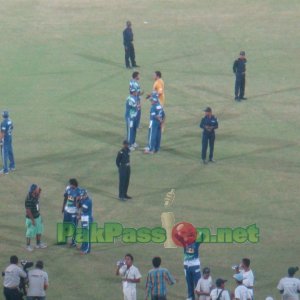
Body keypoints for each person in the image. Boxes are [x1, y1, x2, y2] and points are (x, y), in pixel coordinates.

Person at [25, 184, 47, 251]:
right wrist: (33, 220)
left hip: (37, 216)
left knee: (39, 230)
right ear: (34, 190)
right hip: (31, 218)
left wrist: (39, 216)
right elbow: (28, 211)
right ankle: (28, 246)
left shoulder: (36, 195)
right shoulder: (28, 198)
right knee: (29, 232)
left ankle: (38, 244)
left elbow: (38, 196)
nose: (38, 189)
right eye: (37, 189)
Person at [62, 178, 80, 247]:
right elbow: (65, 198)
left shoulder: (79, 191)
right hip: (67, 211)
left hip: (74, 212)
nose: (69, 185)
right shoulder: (68, 188)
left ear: (73, 184)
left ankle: (73, 242)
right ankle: (64, 240)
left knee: (73, 227)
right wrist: (63, 207)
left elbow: (79, 203)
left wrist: (78, 212)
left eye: (70, 184)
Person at [78, 188, 93, 254]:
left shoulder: (89, 201)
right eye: (81, 195)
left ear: (86, 194)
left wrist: (79, 202)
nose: (82, 196)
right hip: (84, 219)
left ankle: (87, 250)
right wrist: (79, 215)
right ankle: (83, 247)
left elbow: (83, 208)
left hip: (88, 219)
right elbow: (79, 207)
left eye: (83, 195)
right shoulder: (82, 200)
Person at [0, 111, 15, 175]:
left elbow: (2, 133)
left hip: (5, 140)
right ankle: (12, 166)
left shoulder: (3, 123)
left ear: (3, 116)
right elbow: (12, 127)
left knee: (4, 155)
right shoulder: (10, 120)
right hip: (9, 138)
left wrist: (0, 140)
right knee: (10, 152)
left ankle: (5, 170)